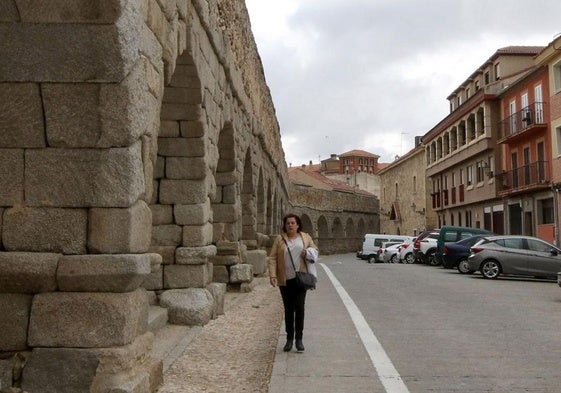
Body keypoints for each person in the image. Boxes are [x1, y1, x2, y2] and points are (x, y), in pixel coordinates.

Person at [268, 213, 319, 352]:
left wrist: (307, 253)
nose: (290, 225)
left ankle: (299, 339)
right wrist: (273, 275)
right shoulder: (280, 239)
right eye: (288, 223)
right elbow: (272, 258)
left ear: (297, 225)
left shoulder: (305, 237)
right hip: (285, 280)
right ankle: (289, 339)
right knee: (288, 310)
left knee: (300, 308)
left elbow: (315, 250)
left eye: (292, 223)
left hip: (300, 279)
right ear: (285, 225)